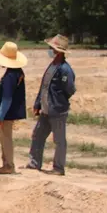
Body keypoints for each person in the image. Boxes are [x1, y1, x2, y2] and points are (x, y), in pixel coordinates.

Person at [24, 35, 77, 176]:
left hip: (57, 110)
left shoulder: (65, 69)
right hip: (46, 110)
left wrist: (59, 101)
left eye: (51, 48)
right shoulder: (52, 66)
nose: (49, 50)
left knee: (59, 140)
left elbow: (70, 89)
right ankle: (34, 163)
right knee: (37, 135)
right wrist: (38, 103)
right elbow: (44, 87)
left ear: (59, 51)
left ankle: (58, 168)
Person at [0, 42, 28, 175]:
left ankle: (9, 165)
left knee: (5, 138)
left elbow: (7, 98)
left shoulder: (11, 75)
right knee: (3, 136)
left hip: (7, 113)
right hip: (9, 112)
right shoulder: (16, 72)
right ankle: (6, 163)